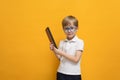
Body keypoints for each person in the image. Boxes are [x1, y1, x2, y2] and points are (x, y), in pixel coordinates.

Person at [50, 15, 84, 80]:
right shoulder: (62, 42)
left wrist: (61, 52)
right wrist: (54, 50)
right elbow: (60, 58)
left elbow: (76, 59)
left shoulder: (79, 42)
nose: (69, 31)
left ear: (77, 28)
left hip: (74, 74)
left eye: (72, 28)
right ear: (63, 29)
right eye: (66, 28)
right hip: (61, 73)